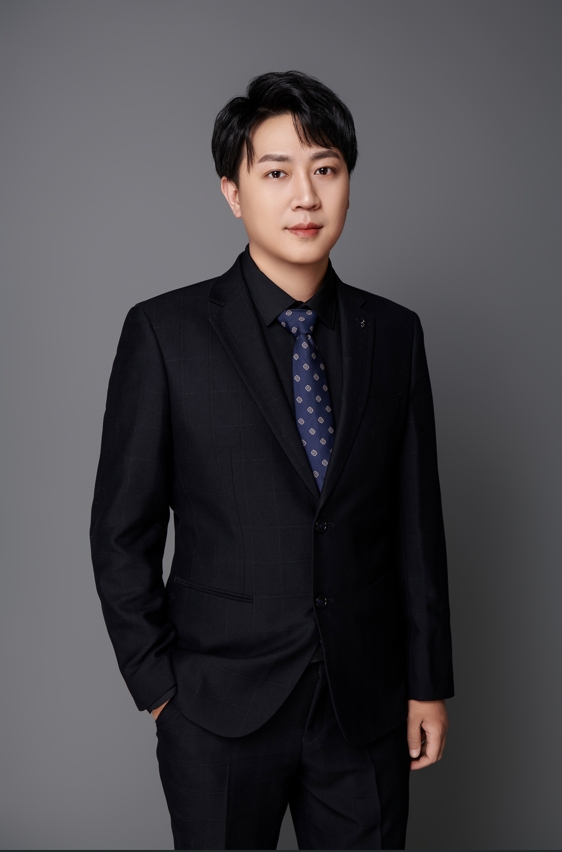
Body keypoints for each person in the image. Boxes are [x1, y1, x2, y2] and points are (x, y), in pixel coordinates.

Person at [90, 70, 454, 850]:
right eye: (278, 173)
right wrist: (159, 688)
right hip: (216, 707)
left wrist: (427, 683)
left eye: (327, 169)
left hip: (364, 706)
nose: (306, 197)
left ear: (348, 183)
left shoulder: (394, 334)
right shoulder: (165, 333)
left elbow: (417, 526)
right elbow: (121, 531)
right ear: (233, 192)